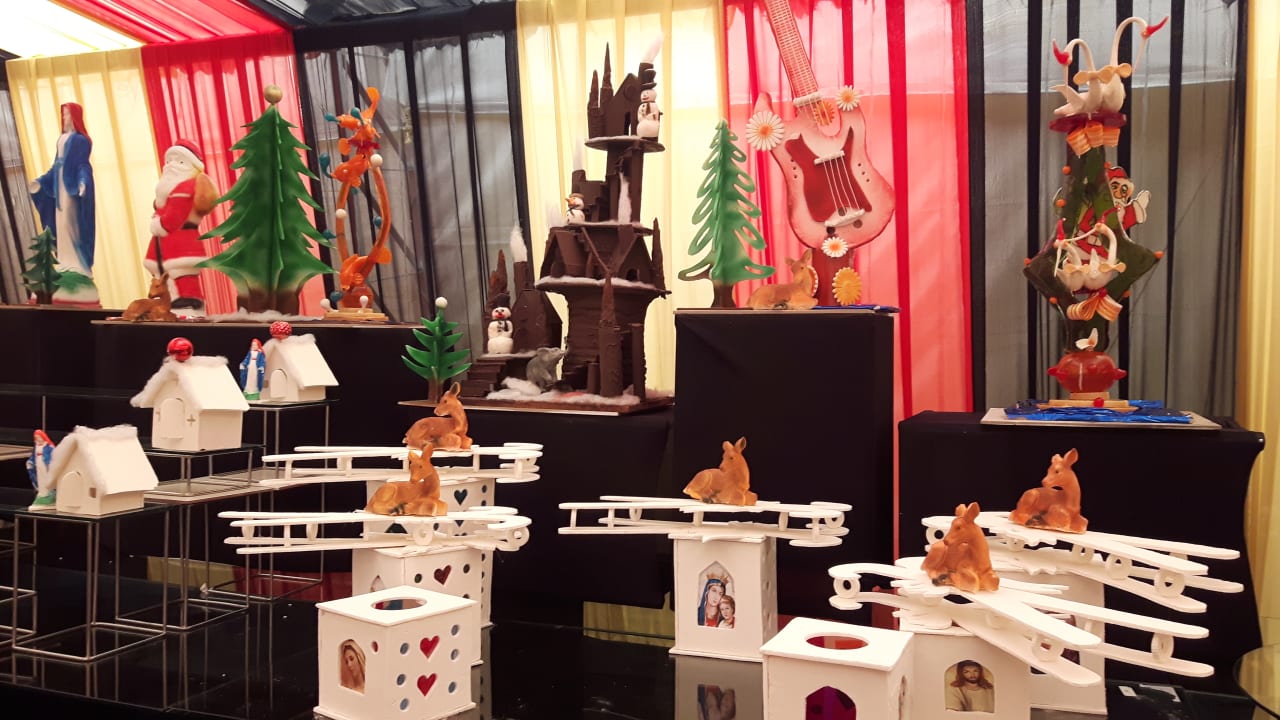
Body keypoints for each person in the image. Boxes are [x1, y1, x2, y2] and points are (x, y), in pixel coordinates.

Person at [29, 102, 97, 306]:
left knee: (70, 223)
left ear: (75, 117)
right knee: (60, 224)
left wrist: (83, 182)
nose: (64, 118)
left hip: (72, 190)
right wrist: (41, 181)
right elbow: (55, 166)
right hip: (59, 188)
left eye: (67, 114)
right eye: (63, 114)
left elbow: (83, 165)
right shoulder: (61, 139)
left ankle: (78, 263)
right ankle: (65, 260)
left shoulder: (80, 140)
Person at [146, 140, 220, 316]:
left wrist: (159, 223)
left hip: (180, 242)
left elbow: (174, 217)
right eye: (169, 161)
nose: (171, 165)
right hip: (167, 243)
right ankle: (171, 305)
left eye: (179, 161)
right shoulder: (170, 190)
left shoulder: (187, 187)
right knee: (169, 278)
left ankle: (188, 306)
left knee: (182, 275)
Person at [27, 430, 56, 510]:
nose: (38, 439)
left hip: (45, 466)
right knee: (40, 479)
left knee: (46, 478)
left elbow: (53, 456)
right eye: (36, 438)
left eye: (39, 437)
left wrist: (49, 464)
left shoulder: (49, 447)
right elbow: (33, 456)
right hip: (38, 464)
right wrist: (30, 462)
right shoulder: (36, 446)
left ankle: (49, 494)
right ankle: (42, 493)